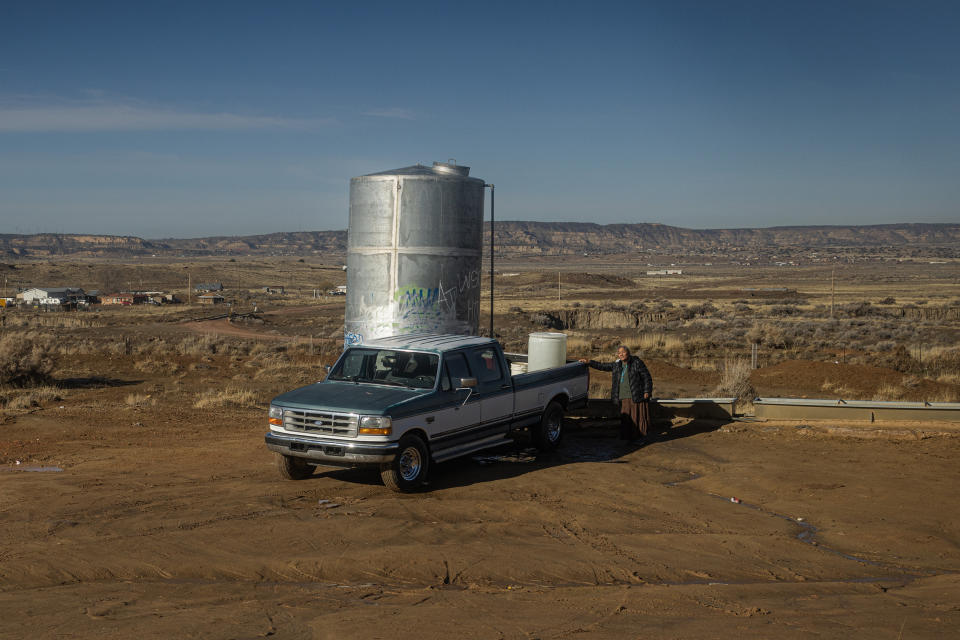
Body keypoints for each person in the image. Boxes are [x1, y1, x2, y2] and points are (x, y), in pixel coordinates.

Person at [579, 346, 653, 443]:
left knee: (637, 418)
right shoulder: (617, 365)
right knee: (627, 419)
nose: (621, 354)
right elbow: (603, 366)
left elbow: (647, 377)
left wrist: (647, 391)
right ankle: (629, 439)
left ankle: (639, 439)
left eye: (623, 352)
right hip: (623, 397)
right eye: (619, 353)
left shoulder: (636, 362)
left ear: (628, 352)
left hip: (635, 395)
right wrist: (589, 362)